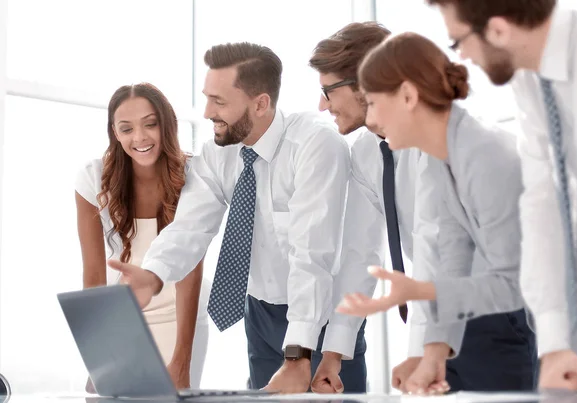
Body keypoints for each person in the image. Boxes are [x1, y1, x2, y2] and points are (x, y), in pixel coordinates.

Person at [107, 42, 363, 394]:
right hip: (259, 314)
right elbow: (189, 227)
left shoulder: (315, 146)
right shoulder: (218, 154)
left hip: (321, 316)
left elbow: (312, 255)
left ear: (260, 103)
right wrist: (153, 275)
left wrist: (298, 355)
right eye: (208, 98)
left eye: (220, 102)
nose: (209, 111)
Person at [336, 32, 536, 393]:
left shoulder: (485, 154)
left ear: (409, 97)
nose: (373, 120)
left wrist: (419, 290)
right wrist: (432, 353)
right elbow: (452, 260)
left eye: (375, 104)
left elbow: (512, 286)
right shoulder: (442, 159)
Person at [424, 0, 577, 392]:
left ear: (499, 29)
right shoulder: (532, 83)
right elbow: (542, 207)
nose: (462, 57)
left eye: (458, 42)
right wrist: (554, 343)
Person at [308, 21, 436, 393]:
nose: (322, 105)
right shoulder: (366, 152)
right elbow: (359, 255)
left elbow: (435, 252)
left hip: (492, 314)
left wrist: (420, 351)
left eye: (328, 91)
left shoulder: (433, 139)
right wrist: (333, 353)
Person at [75, 83, 209, 390]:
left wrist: (182, 360)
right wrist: (100, 355)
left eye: (150, 124)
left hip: (181, 318)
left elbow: (190, 270)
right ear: (115, 133)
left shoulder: (195, 175)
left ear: (167, 124)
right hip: (123, 318)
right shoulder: (92, 179)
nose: (140, 137)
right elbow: (94, 275)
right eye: (127, 128)